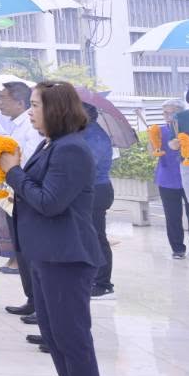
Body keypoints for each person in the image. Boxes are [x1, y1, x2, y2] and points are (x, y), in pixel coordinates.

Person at [0, 80, 105, 376]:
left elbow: (49, 201)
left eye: (36, 105)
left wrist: (13, 172)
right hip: (47, 254)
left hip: (66, 257)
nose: (30, 112)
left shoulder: (71, 149)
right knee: (56, 338)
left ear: (56, 109)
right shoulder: (52, 145)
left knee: (73, 341)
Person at [0, 81, 41, 319]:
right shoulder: (17, 124)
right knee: (20, 249)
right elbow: (9, 145)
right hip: (13, 192)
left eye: (4, 99)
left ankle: (39, 303)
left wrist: (6, 156)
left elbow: (25, 159)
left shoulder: (31, 127)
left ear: (20, 102)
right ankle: (32, 299)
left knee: (30, 251)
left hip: (26, 192)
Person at [79, 104, 114, 297]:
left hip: (97, 191)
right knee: (88, 236)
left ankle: (103, 283)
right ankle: (92, 277)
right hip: (89, 190)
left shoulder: (95, 136)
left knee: (97, 237)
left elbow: (86, 164)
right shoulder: (84, 133)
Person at [154, 100, 189, 259]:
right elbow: (152, 152)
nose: (168, 116)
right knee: (172, 216)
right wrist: (153, 142)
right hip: (167, 179)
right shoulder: (160, 130)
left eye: (172, 112)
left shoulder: (188, 128)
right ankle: (177, 249)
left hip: (188, 178)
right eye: (165, 112)